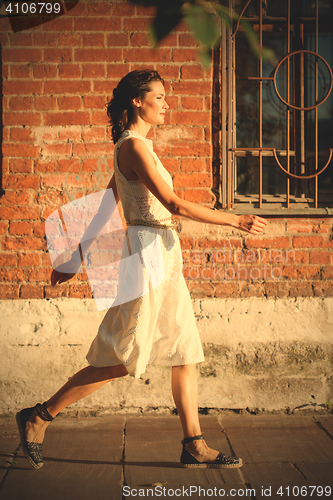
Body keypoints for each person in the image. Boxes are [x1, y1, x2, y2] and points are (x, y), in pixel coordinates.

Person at [16, 69, 267, 471]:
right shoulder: (132, 148)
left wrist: (76, 257)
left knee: (185, 349)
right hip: (149, 256)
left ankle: (194, 445)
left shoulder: (136, 147)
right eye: (160, 97)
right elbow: (174, 204)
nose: (167, 104)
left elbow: (106, 207)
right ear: (138, 101)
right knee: (124, 357)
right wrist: (235, 220)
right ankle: (40, 416)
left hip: (165, 253)